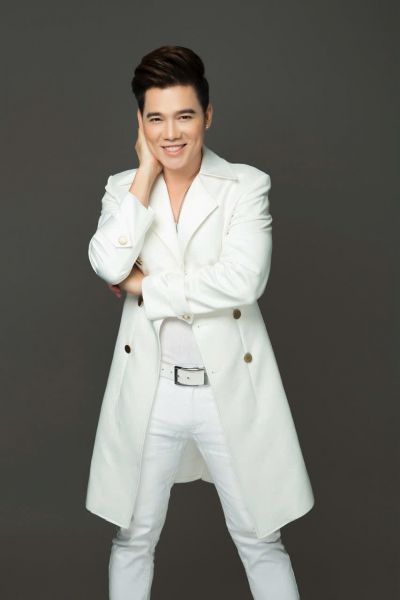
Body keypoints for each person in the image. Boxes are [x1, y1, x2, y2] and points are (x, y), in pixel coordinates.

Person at [86, 45, 315, 599]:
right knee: (133, 537)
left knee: (260, 537)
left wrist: (147, 287)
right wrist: (145, 173)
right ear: (140, 123)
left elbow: (243, 280)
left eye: (184, 116)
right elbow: (108, 264)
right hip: (152, 391)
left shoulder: (244, 185)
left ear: (207, 115)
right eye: (156, 119)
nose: (171, 134)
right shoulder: (124, 189)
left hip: (226, 389)